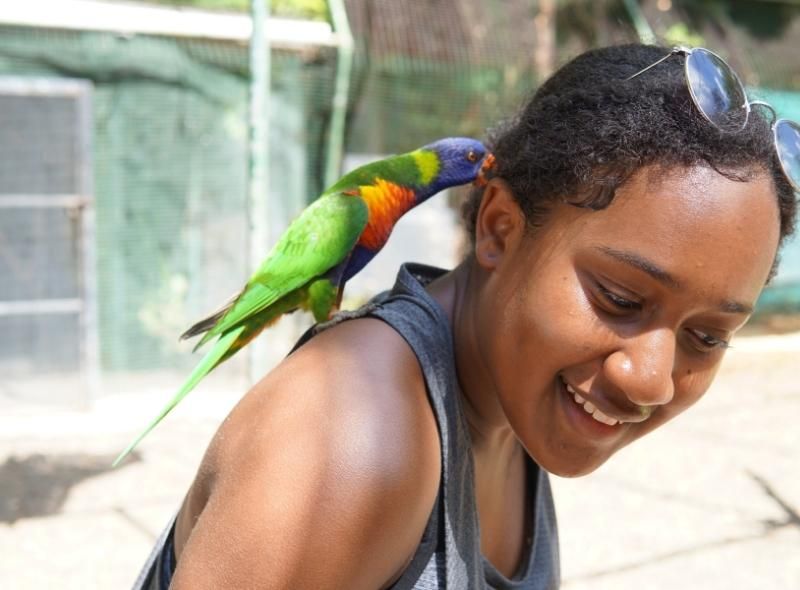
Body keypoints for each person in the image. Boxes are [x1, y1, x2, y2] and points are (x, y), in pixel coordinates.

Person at [134, 43, 798, 589]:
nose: (650, 378)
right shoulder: (350, 439)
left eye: (708, 336)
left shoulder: (516, 406)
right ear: (500, 229)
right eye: (619, 300)